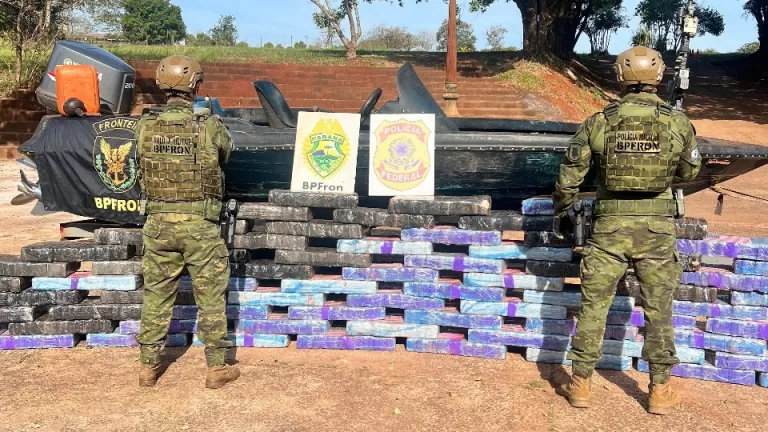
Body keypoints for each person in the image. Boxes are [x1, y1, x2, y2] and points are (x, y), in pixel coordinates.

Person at [552, 46, 700, 415]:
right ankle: (660, 391)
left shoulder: (600, 121)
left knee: (593, 306)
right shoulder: (677, 122)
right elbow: (690, 172)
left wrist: (564, 209)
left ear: (620, 76)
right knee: (658, 308)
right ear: (659, 76)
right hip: (657, 229)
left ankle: (581, 385)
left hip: (608, 227)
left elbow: (569, 176)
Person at [135, 55, 239, 389]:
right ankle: (217, 368)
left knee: (156, 295)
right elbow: (227, 153)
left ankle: (148, 368)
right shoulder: (208, 124)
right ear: (194, 85)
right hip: (199, 225)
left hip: (159, 224)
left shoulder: (146, 126)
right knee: (210, 296)